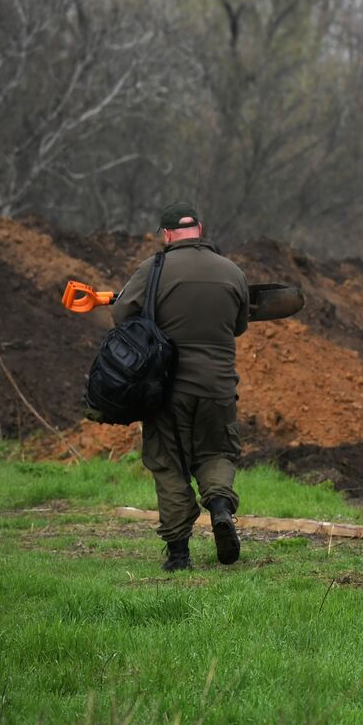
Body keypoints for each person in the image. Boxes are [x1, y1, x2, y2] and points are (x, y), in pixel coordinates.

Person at [111, 202, 250, 571]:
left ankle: (178, 555)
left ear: (167, 234)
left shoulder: (153, 269)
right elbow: (239, 326)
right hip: (219, 388)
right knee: (217, 452)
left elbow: (121, 316)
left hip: (167, 391)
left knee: (168, 463)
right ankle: (220, 507)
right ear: (200, 230)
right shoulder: (232, 272)